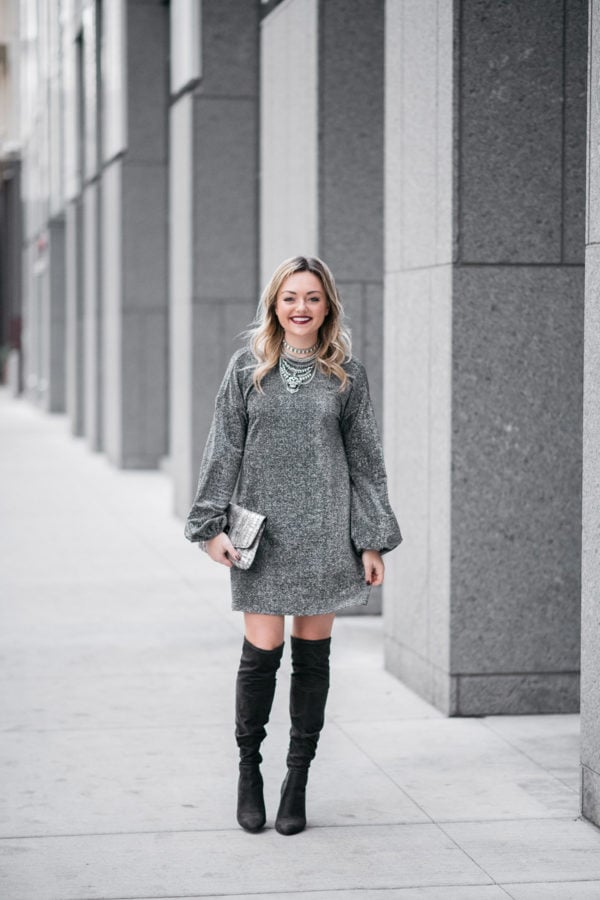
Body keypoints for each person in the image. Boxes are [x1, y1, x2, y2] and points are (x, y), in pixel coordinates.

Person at [184, 255, 402, 836]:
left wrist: (372, 541)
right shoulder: (246, 369)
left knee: (311, 662)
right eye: (289, 297)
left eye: (311, 297)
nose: (300, 307)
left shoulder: (346, 376)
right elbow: (222, 448)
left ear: (327, 304)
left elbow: (367, 463)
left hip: (326, 534)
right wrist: (209, 527)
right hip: (263, 534)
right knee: (261, 657)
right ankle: (248, 773)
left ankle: (297, 778)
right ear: (273, 305)